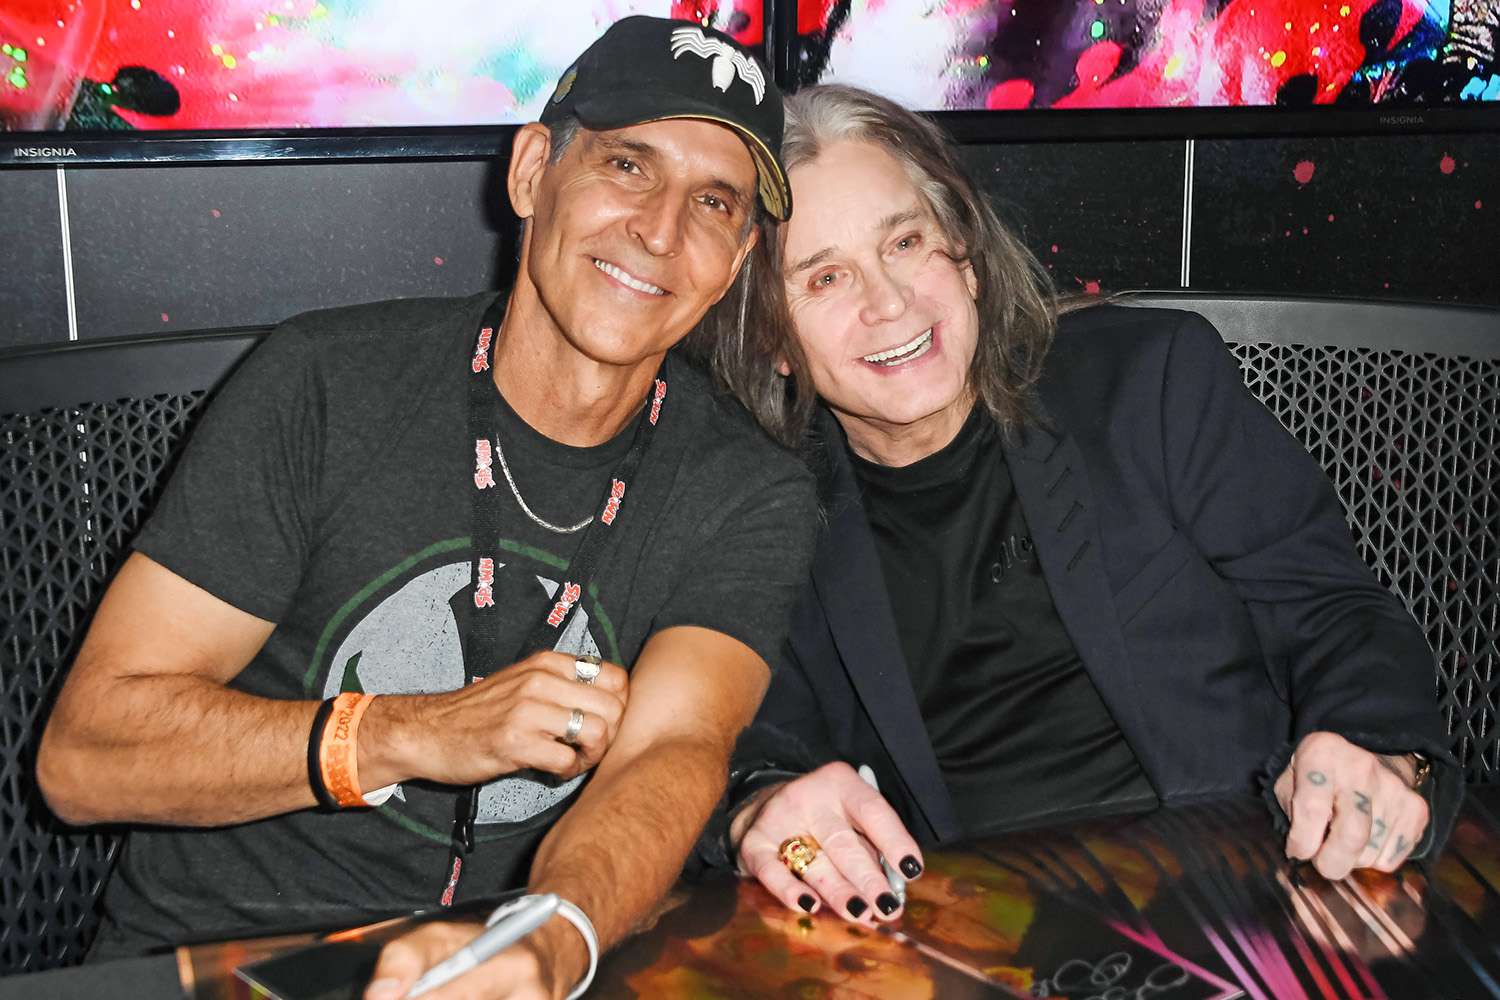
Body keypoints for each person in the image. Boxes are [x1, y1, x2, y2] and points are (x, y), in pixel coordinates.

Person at [35, 17, 816, 999]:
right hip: (224, 961)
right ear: (533, 172)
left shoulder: (749, 486)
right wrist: (406, 732)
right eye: (627, 165)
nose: (660, 230)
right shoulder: (325, 384)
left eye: (713, 203)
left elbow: (673, 751)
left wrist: (550, 938)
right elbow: (84, 755)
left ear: (737, 259)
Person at [688, 84, 1461, 926]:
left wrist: (1380, 753)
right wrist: (760, 808)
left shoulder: (1150, 383)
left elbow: (1332, 611)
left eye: (905, 242)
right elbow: (742, 739)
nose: (889, 302)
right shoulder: (755, 502)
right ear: (772, 338)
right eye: (825, 277)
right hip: (965, 941)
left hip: (1246, 897)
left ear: (968, 262)